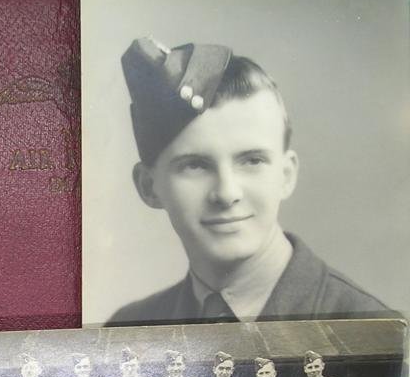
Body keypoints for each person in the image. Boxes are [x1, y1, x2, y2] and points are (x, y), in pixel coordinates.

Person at [110, 37, 386, 324]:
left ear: (286, 175)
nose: (227, 193)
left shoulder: (368, 329)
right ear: (148, 187)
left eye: (252, 161)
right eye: (195, 165)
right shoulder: (129, 328)